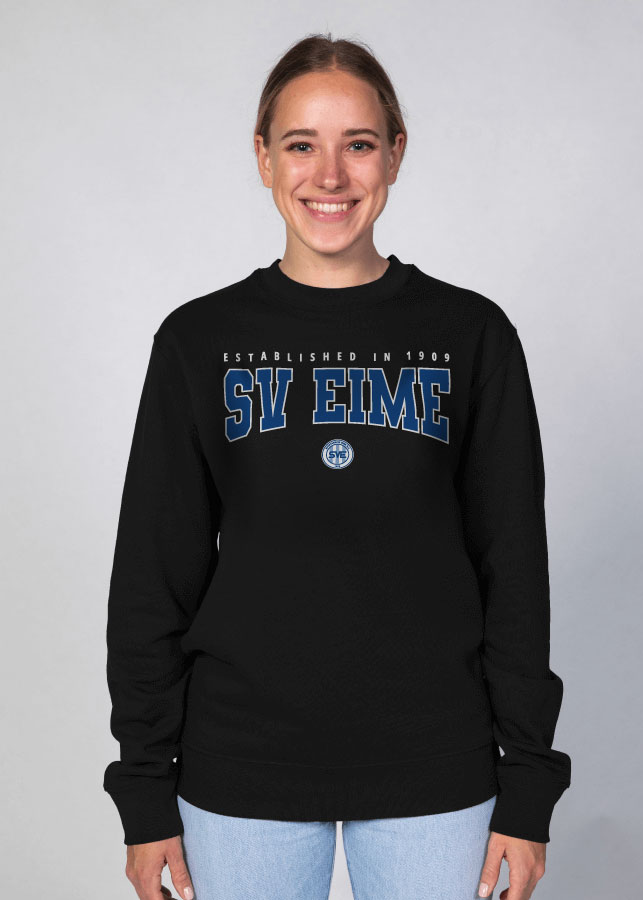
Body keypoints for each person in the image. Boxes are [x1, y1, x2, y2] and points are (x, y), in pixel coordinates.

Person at [103, 33, 571, 900]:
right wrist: (143, 790)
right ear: (262, 158)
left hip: (437, 765)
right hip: (239, 767)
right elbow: (152, 576)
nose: (329, 175)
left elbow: (513, 570)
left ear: (394, 154)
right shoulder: (200, 341)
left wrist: (528, 788)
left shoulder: (470, 335)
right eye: (299, 145)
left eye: (356, 143)